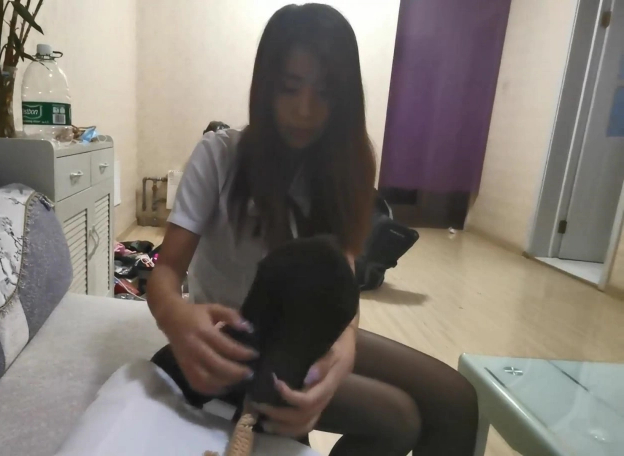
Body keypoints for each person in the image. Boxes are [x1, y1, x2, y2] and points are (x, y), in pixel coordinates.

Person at [146, 4, 478, 456]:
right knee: (398, 419)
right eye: (289, 88)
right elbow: (166, 271)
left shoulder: (347, 166)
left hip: (310, 328)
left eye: (325, 92)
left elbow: (342, 285)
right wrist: (176, 315)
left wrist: (344, 351)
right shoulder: (219, 155)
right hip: (241, 341)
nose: (304, 110)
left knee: (456, 400)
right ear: (266, 86)